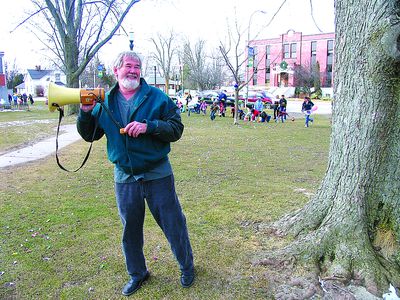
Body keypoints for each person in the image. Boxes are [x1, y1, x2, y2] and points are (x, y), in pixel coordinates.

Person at [76, 51, 194, 296]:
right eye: (128, 66)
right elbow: (90, 135)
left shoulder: (157, 98)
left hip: (157, 173)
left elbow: (176, 129)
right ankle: (138, 274)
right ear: (116, 69)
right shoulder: (104, 101)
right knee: (130, 229)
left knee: (173, 224)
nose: (133, 70)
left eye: (137, 66)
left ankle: (187, 266)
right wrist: (85, 113)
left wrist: (149, 126)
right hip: (125, 176)